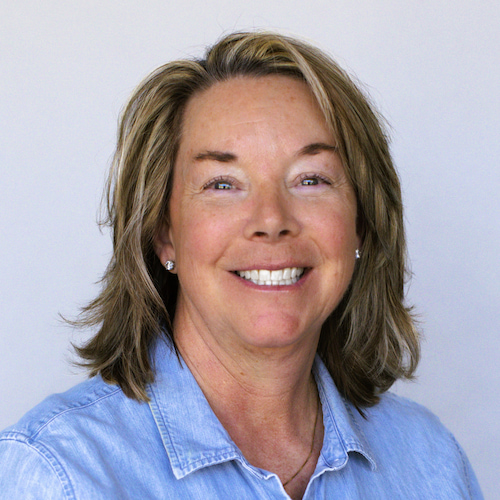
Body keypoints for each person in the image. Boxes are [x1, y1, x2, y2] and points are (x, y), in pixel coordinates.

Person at [0, 31, 482, 499]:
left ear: (361, 223)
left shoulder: (429, 459)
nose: (271, 221)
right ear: (164, 232)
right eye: (223, 184)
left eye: (311, 179)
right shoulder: (58, 474)